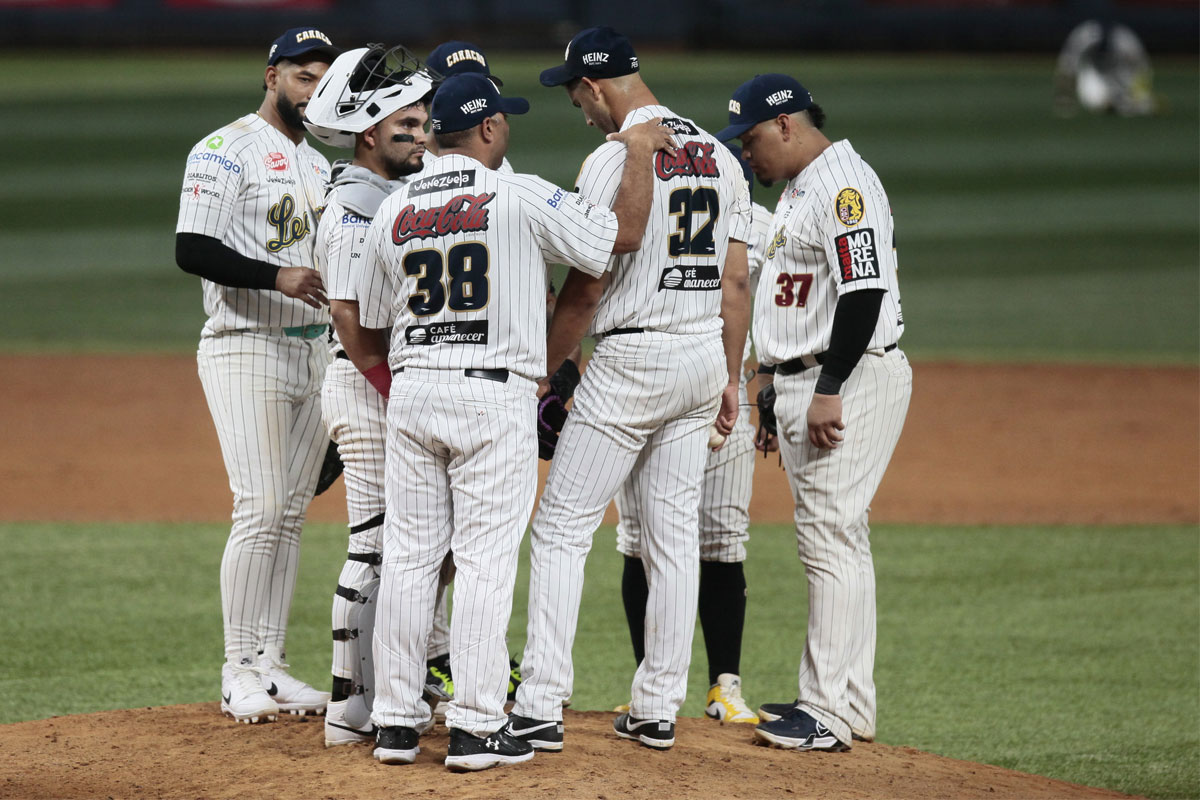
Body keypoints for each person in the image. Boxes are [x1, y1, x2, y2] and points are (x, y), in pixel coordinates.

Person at [357, 73, 674, 771]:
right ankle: (473, 726)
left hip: (412, 394)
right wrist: (642, 153)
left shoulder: (394, 206)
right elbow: (614, 239)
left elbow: (373, 317)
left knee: (410, 559)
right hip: (491, 395)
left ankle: (396, 723)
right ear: (491, 130)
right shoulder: (518, 192)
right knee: (483, 561)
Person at [508, 26, 752, 753]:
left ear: (594, 86)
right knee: (672, 534)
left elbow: (587, 286)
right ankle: (656, 707)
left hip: (632, 364)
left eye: (575, 94)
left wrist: (544, 372)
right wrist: (732, 375)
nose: (579, 109)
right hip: (701, 355)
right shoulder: (722, 156)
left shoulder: (614, 159)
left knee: (561, 526)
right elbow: (736, 281)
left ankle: (542, 703)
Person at [715, 73, 912, 751]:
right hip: (806, 379)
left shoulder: (843, 186)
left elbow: (862, 292)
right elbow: (792, 294)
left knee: (830, 534)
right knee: (833, 536)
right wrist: (771, 382)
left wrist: (828, 385)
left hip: (848, 378)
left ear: (787, 125)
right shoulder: (801, 188)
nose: (747, 155)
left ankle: (827, 711)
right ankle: (846, 705)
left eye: (751, 141)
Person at [174, 27, 339, 725]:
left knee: (291, 514)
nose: (312, 91)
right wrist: (278, 275)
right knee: (262, 506)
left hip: (315, 351)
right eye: (304, 76)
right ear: (271, 76)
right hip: (247, 345)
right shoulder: (225, 149)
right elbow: (191, 248)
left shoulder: (321, 162)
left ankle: (269, 667)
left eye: (323, 81)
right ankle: (236, 669)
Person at [301, 43, 437, 747]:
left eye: (424, 121)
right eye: (406, 125)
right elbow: (355, 330)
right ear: (367, 134)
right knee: (377, 543)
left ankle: (396, 685)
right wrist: (402, 398)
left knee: (406, 545)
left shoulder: (386, 194)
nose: (422, 133)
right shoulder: (355, 208)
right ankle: (349, 706)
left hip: (385, 388)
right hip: (366, 388)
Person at [612, 144, 772, 726]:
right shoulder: (645, 215)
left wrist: (761, 378)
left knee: (721, 539)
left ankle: (723, 686)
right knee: (639, 539)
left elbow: (758, 299)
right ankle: (649, 683)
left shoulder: (761, 226)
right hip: (682, 389)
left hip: (719, 394)